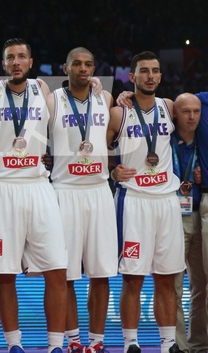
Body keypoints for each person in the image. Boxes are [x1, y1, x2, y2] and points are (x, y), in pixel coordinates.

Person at [0, 38, 67, 353]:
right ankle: (14, 344)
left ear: (30, 61)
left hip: (39, 186)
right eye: (10, 57)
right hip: (1, 187)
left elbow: (73, 120)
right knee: (5, 272)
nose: (16, 62)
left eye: (21, 57)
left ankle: (55, 345)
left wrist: (99, 87)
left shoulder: (45, 91)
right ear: (3, 64)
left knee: (56, 269)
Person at [107, 51, 183, 353]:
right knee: (133, 278)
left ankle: (168, 343)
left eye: (155, 71)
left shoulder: (170, 106)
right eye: (144, 71)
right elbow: (95, 149)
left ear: (161, 76)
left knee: (166, 279)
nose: (150, 76)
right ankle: (131, 343)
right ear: (132, 76)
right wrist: (112, 170)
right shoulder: (118, 111)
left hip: (166, 201)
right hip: (133, 200)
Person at [46, 48, 116, 353]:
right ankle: (74, 340)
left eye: (88, 63)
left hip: (99, 191)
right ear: (66, 67)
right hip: (64, 191)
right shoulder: (51, 101)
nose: (83, 68)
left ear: (94, 68)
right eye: (77, 63)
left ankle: (97, 342)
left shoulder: (108, 99)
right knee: (67, 274)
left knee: (100, 273)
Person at [170, 93, 204, 353]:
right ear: (174, 113)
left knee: (201, 285)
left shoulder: (203, 138)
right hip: (172, 214)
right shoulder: (164, 140)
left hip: (200, 213)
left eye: (196, 111)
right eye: (185, 112)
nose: (192, 116)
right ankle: (177, 346)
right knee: (173, 285)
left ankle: (199, 345)